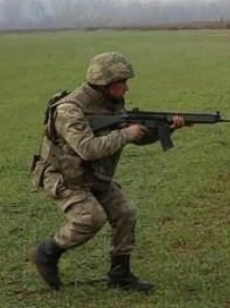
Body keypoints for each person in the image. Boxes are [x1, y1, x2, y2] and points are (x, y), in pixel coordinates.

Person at [29, 52, 185, 293]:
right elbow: (87, 149)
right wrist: (127, 133)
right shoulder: (69, 110)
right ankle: (48, 252)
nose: (126, 88)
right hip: (65, 177)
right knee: (91, 218)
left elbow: (135, 137)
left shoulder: (111, 104)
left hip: (94, 174)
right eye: (122, 83)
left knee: (125, 212)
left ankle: (120, 275)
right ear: (105, 84)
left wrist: (167, 129)